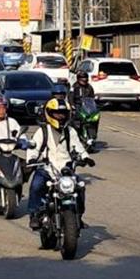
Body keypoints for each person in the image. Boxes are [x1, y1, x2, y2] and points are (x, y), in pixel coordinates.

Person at [26, 98, 94, 230]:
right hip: (47, 168)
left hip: (66, 169)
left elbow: (78, 147)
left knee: (80, 187)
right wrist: (32, 159)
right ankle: (34, 214)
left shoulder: (70, 131)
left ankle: (78, 216)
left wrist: (86, 158)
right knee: (36, 185)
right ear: (50, 114)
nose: (60, 116)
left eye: (63, 113)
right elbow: (33, 147)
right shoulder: (43, 131)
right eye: (57, 113)